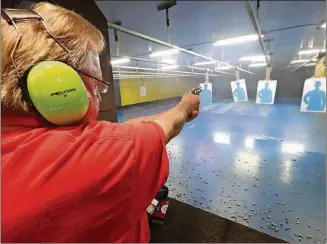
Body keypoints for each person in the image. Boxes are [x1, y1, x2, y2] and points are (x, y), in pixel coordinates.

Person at [1, 3, 200, 243]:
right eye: (94, 83)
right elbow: (166, 127)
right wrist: (186, 104)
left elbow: (124, 131)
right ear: (56, 85)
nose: (99, 93)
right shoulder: (102, 157)